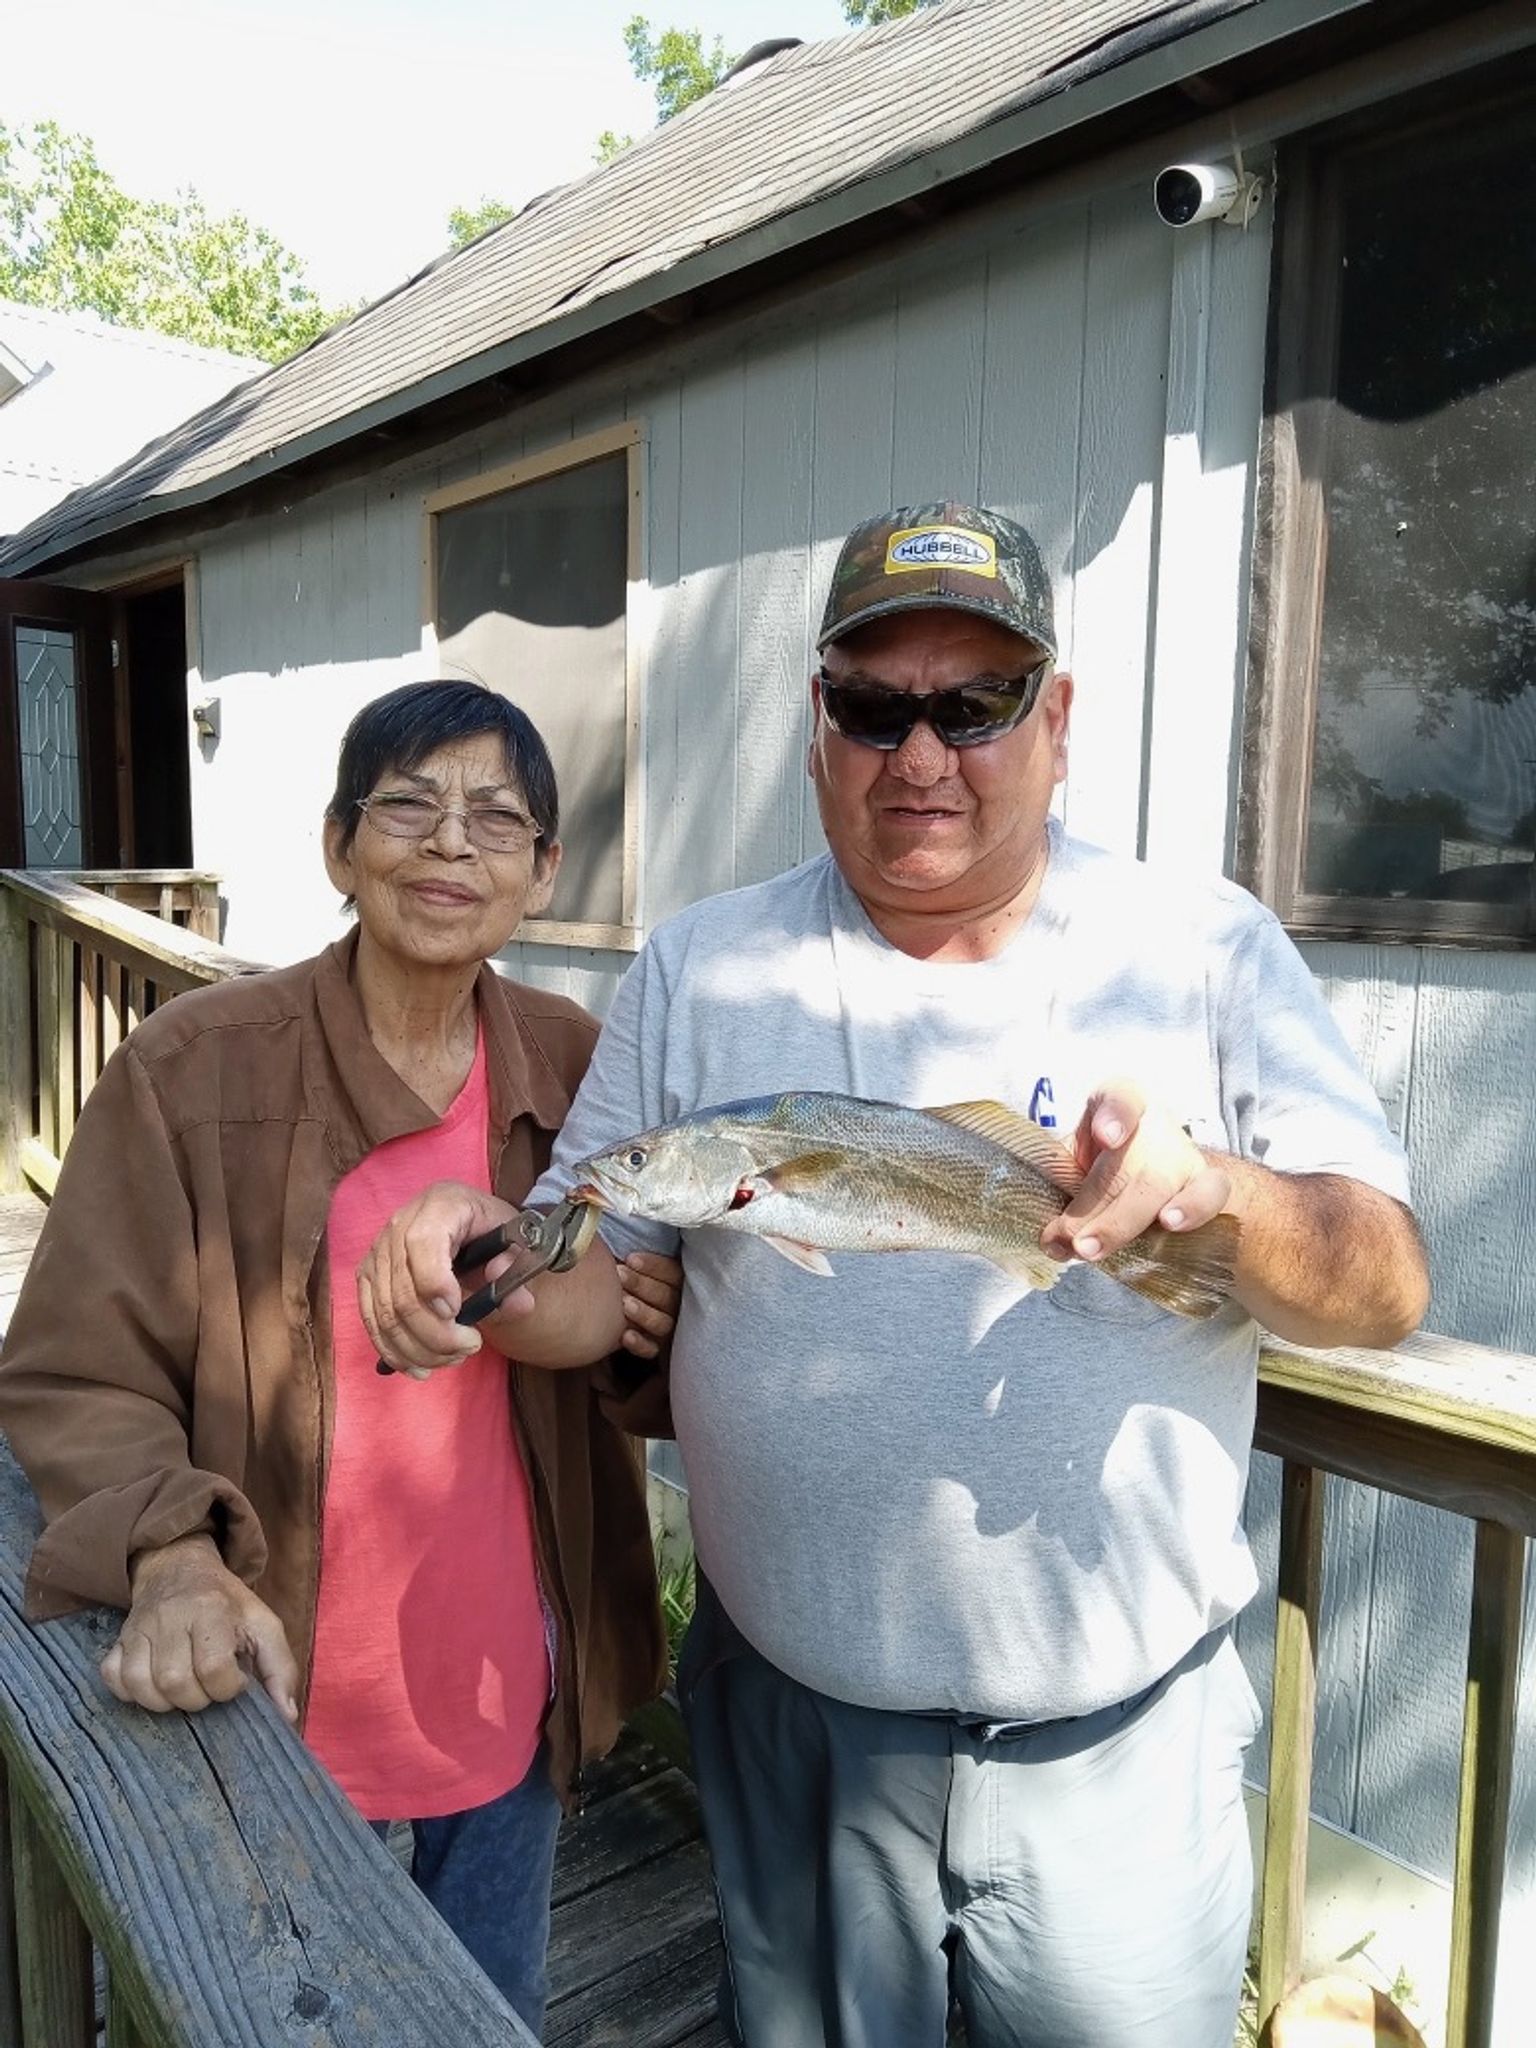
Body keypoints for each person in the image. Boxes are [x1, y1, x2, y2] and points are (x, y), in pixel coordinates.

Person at [357, 508, 1431, 2048]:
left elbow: (1384, 1284)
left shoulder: (1204, 947)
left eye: (974, 704)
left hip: (1114, 1750)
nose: (919, 754)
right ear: (819, 727)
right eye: (874, 705)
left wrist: (1220, 1201)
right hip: (790, 1725)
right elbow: (594, 1266)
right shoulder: (701, 968)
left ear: (1054, 723)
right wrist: (489, 1260)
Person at [0, 679, 679, 2037]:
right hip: (269, 1711)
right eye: (408, 808)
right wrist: (173, 1552)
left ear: (544, 872)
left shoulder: (577, 1062)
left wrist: (637, 1316)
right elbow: (76, 1368)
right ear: (335, 846)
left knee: (491, 2013)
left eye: (498, 821)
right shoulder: (194, 1070)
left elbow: (642, 1338)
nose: (449, 846)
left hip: (506, 1712)